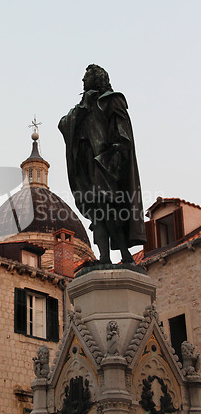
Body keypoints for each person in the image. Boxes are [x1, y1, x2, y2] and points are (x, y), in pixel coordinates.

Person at [58, 64, 146, 264]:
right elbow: (63, 125)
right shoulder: (82, 108)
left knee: (108, 209)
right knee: (97, 212)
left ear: (98, 79)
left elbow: (123, 136)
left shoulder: (112, 101)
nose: (83, 81)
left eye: (86, 77)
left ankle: (125, 255)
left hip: (106, 165)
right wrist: (84, 107)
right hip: (87, 166)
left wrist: (110, 161)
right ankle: (105, 257)